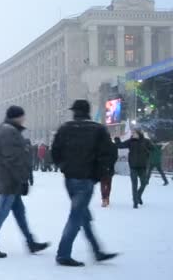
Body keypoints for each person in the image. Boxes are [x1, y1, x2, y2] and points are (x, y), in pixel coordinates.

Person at [51, 100, 119, 267]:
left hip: (70, 178)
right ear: (88, 111)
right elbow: (109, 154)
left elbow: (55, 151)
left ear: (75, 111)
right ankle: (63, 254)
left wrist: (64, 167)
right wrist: (98, 174)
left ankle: (97, 251)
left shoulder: (65, 128)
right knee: (76, 216)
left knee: (82, 215)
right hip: (86, 179)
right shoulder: (98, 129)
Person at [0, 105, 49, 258]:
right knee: (0, 213)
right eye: (22, 116)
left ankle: (30, 242)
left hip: (10, 180)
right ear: (16, 117)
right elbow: (12, 159)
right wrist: (23, 179)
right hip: (8, 181)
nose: (24, 119)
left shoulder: (7, 130)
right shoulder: (8, 132)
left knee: (20, 213)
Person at [116, 129, 153, 208]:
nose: (133, 134)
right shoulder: (130, 141)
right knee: (134, 185)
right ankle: (135, 202)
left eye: (134, 133)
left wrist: (148, 153)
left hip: (143, 167)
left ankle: (138, 195)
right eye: (132, 133)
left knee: (144, 183)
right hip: (133, 167)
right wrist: (117, 139)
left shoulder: (146, 141)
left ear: (139, 134)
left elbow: (152, 148)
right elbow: (120, 146)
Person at [100, 137, 119, 207]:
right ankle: (106, 197)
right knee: (108, 183)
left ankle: (104, 198)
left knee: (104, 183)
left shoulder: (100, 145)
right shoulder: (113, 146)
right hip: (108, 167)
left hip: (103, 167)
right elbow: (115, 157)